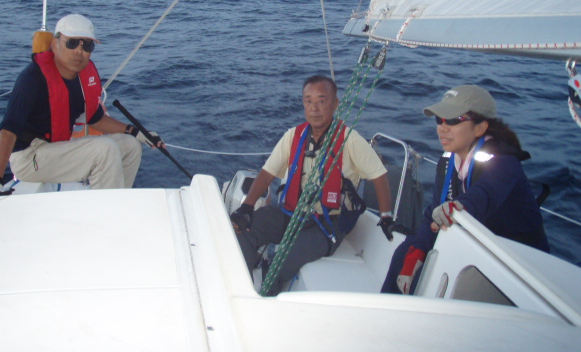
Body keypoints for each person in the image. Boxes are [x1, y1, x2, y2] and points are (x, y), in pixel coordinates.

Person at [230, 75, 393, 295]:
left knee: (282, 261)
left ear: (335, 104)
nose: (314, 108)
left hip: (327, 225)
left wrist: (386, 216)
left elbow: (379, 176)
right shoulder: (293, 136)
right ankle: (241, 289)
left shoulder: (350, 139)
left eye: (321, 101)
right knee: (241, 232)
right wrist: (246, 208)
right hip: (290, 214)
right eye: (308, 101)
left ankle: (267, 299)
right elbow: (267, 173)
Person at [381, 84, 549, 295]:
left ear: (479, 128)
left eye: (453, 120)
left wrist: (459, 207)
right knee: (404, 253)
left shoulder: (505, 162)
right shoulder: (448, 162)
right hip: (474, 247)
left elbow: (484, 195)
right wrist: (418, 250)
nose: (442, 128)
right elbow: (432, 213)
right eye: (439, 119)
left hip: (517, 266)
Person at [0, 13, 160, 191]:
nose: (79, 50)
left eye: (87, 45)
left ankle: (119, 200)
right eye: (72, 43)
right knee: (105, 149)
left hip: (57, 149)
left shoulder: (81, 79)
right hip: (29, 158)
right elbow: (8, 132)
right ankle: (105, 207)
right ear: (55, 44)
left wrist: (137, 132)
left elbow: (95, 118)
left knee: (131, 146)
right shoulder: (32, 79)